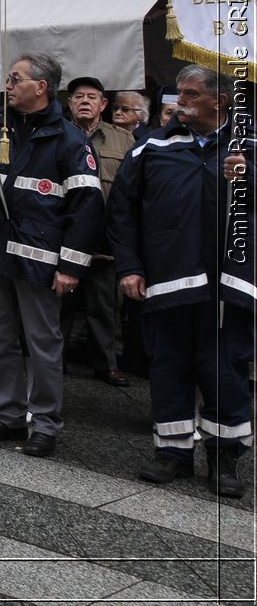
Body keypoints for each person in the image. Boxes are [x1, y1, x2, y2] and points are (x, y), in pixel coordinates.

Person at [109, 63, 254, 497]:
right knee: (168, 364)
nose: (180, 102)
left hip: (230, 285)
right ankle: (171, 452)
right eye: (179, 95)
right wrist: (130, 267)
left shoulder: (247, 148)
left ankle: (224, 456)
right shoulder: (151, 146)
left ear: (219, 101)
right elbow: (122, 211)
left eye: (190, 94)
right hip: (168, 280)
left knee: (223, 369)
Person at [0, 53, 103, 459]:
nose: (8, 85)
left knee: (43, 343)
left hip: (39, 259)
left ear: (41, 87)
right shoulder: (0, 129)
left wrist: (71, 266)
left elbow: (86, 207)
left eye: (15, 79)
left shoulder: (70, 139)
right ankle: (8, 414)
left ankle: (44, 424)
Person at [63, 75, 135, 388]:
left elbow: (132, 188)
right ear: (69, 103)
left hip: (105, 237)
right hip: (63, 234)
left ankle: (106, 363)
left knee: (104, 305)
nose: (85, 102)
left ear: (103, 104)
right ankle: (55, 360)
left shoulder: (123, 140)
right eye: (78, 96)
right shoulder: (56, 134)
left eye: (92, 97)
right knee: (60, 304)